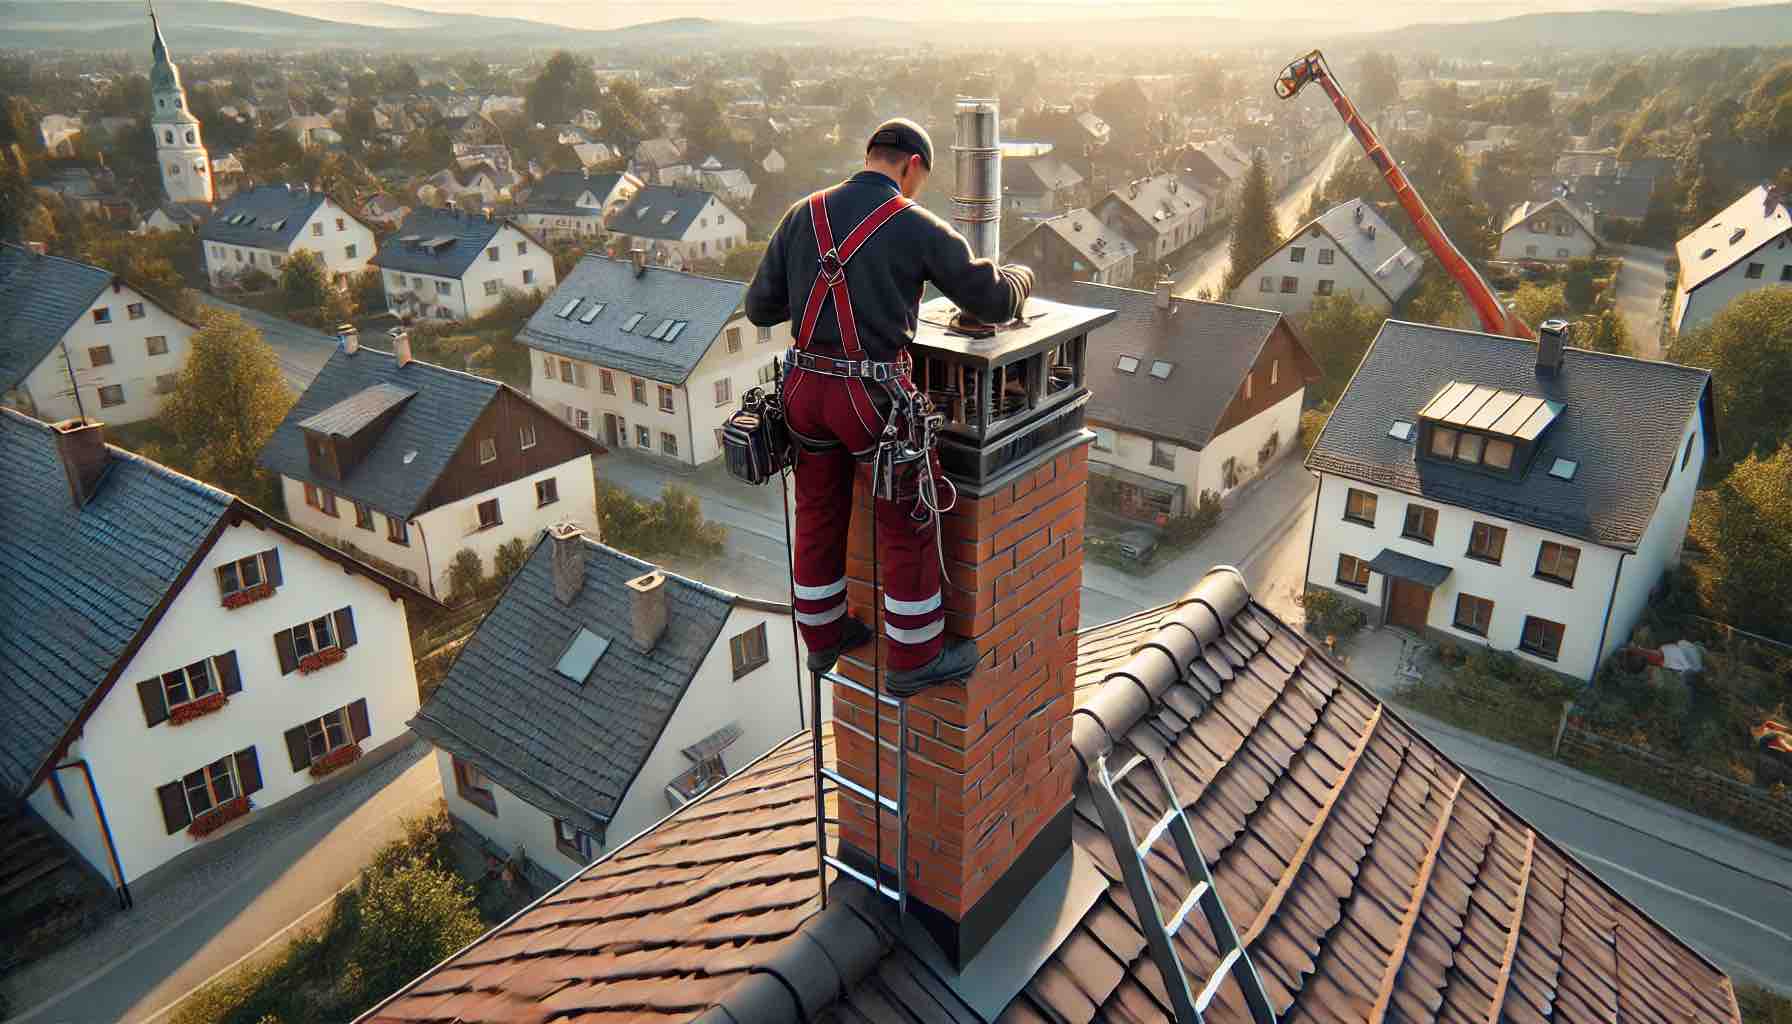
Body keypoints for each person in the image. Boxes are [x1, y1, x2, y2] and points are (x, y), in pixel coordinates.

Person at [746, 118, 1033, 695]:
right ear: (915, 167)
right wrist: (1021, 278)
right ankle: (914, 654)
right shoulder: (915, 225)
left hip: (803, 390)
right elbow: (994, 301)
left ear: (871, 154)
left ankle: (823, 635)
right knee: (907, 519)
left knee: (818, 510)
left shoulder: (803, 214)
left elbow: (759, 308)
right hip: (870, 397)